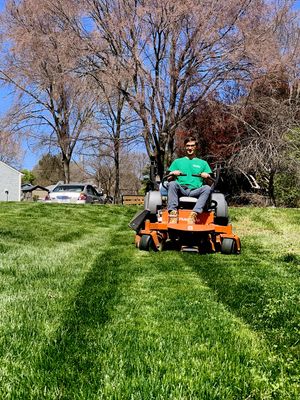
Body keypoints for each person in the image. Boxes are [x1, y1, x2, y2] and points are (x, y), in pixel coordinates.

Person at [167, 136, 212, 224]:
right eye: (188, 146)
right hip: (181, 189)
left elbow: (210, 183)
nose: (190, 148)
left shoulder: (203, 163)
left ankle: (194, 214)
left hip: (196, 191)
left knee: (207, 188)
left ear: (196, 147)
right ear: (185, 146)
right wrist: (172, 173)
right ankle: (173, 213)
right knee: (172, 184)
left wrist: (207, 176)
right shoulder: (177, 162)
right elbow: (168, 179)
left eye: (192, 145)